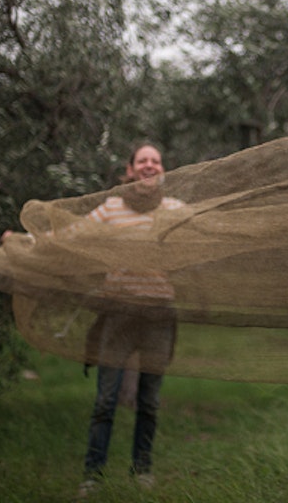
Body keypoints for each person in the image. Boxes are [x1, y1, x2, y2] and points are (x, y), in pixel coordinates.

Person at [75, 143, 183, 497]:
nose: (149, 165)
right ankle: (93, 475)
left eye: (155, 160)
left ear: (162, 168)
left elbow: (212, 230)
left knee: (149, 402)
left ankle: (142, 469)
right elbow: (70, 236)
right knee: (105, 401)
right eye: (143, 160)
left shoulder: (174, 210)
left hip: (158, 317)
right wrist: (26, 242)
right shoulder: (111, 208)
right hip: (118, 316)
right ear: (131, 169)